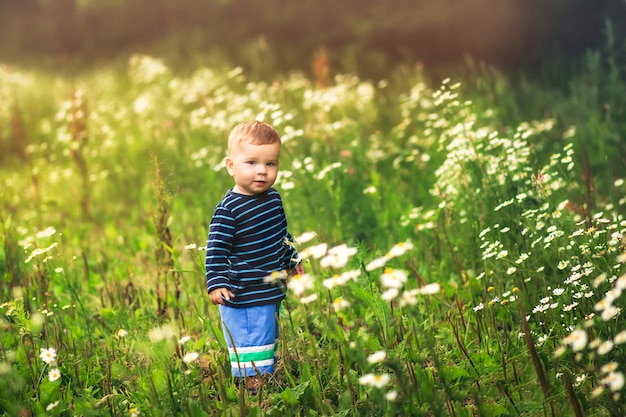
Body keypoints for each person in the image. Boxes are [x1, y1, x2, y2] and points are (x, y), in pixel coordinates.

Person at [205, 120, 304, 393]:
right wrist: (216, 282)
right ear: (231, 166)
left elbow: (280, 235)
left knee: (265, 337)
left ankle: (260, 378)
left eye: (270, 164)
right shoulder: (229, 209)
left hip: (269, 288)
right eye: (251, 162)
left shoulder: (273, 199)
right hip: (243, 291)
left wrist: (292, 262)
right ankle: (253, 388)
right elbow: (216, 250)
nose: (262, 171)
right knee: (250, 338)